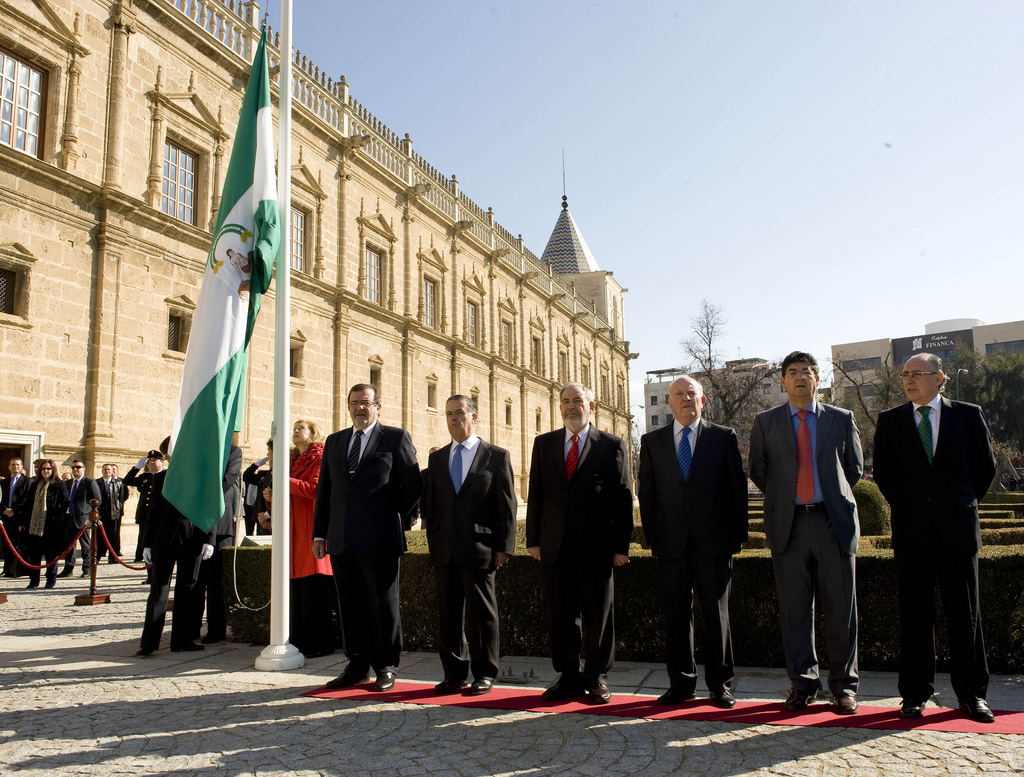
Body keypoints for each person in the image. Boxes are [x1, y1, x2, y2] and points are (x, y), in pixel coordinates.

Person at [873, 353, 997, 724]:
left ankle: (972, 695)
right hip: (912, 535)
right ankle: (914, 694)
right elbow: (885, 475)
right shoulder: (891, 421)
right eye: (905, 375)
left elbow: (984, 468)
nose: (909, 380)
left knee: (966, 616)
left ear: (940, 377)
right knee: (914, 617)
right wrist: (914, 509)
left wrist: (958, 503)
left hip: (958, 531)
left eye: (918, 374)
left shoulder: (967, 414)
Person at [749, 351, 864, 714]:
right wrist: (789, 497)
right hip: (790, 524)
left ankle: (844, 687)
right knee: (795, 610)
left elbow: (854, 469)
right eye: (793, 372)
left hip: (833, 523)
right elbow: (759, 471)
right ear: (782, 381)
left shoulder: (842, 419)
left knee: (841, 607)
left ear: (817, 379)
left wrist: (826, 494)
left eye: (807, 372)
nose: (800, 377)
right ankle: (802, 683)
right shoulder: (765, 422)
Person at [638, 375, 748, 708]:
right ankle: (681, 684)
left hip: (714, 542)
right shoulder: (652, 441)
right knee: (675, 615)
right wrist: (653, 537)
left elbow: (736, 490)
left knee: (717, 615)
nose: (686, 399)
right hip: (671, 543)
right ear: (668, 403)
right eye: (678, 395)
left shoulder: (723, 437)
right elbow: (648, 493)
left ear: (703, 401)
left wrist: (736, 537)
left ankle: (720, 685)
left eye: (692, 394)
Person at [525, 382, 634, 705]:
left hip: (597, 548)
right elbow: (536, 496)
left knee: (599, 616)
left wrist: (620, 547)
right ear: (559, 408)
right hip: (555, 546)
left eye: (578, 401)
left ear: (592, 406)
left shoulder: (612, 445)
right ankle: (568, 675)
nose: (571, 406)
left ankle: (597, 677)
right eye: (565, 401)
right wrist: (533, 540)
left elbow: (623, 499)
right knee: (560, 615)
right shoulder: (544, 444)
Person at [313, 384, 422, 692]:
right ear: (348, 407)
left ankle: (386, 665)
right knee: (350, 605)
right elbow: (326, 492)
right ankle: (357, 664)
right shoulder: (335, 442)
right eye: (354, 403)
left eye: (365, 403)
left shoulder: (395, 437)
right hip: (341, 539)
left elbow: (413, 485)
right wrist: (320, 533)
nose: (359, 408)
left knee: (383, 603)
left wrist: (392, 513)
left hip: (381, 538)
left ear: (378, 406)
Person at [422, 395, 517, 696]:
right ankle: (453, 673)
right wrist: (433, 544)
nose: (453, 418)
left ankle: (485, 673)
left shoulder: (496, 456)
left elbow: (507, 506)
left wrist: (504, 547)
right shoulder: (437, 460)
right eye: (448, 413)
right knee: (448, 615)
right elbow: (432, 508)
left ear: (474, 417)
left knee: (481, 615)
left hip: (481, 547)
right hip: (445, 549)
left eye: (459, 413)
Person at [138, 438, 215, 656]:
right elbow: (153, 512)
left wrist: (209, 538)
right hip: (164, 539)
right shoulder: (160, 477)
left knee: (187, 589)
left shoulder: (200, 476)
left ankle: (181, 640)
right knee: (159, 589)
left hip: (192, 538)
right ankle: (148, 642)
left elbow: (207, 506)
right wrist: (147, 543)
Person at [273, 421, 335, 656]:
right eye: (295, 427)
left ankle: (318, 644)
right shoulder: (289, 461)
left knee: (313, 590)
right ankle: (297, 640)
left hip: (310, 528)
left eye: (302, 427)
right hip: (292, 529)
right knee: (296, 590)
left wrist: (284, 482)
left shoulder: (319, 456)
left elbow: (315, 489)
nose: (296, 430)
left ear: (312, 434)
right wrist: (271, 495)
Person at [193, 442, 242, 644]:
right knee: (194, 581)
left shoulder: (232, 450)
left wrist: (201, 490)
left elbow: (227, 479)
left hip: (220, 525)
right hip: (194, 522)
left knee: (216, 583)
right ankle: (191, 627)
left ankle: (216, 628)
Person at [15, 459, 69, 589]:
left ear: (53, 470)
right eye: (44, 469)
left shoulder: (59, 484)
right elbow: (28, 504)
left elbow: (66, 501)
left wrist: (57, 515)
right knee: (34, 554)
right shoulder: (34, 484)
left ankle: (50, 579)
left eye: (48, 469)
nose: (46, 471)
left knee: (51, 555)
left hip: (51, 525)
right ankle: (34, 580)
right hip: (35, 524)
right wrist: (23, 521)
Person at [61, 460, 102, 577]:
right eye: (73, 467)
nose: (75, 469)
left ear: (83, 469)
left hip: (83, 518)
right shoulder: (68, 483)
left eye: (78, 467)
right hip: (69, 517)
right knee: (69, 545)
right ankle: (68, 568)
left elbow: (97, 500)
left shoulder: (89, 482)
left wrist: (88, 512)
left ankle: (87, 569)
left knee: (85, 545)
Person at [2, 458, 29, 577]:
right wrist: (5, 510)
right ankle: (7, 568)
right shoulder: (4, 482)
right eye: (13, 465)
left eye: (18, 465)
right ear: (9, 467)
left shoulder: (27, 481)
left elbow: (26, 499)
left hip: (19, 517)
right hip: (6, 517)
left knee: (18, 544)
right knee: (6, 543)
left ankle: (16, 569)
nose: (15, 467)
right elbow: (1, 498)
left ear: (21, 467)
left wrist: (14, 511)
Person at [97, 464, 129, 563]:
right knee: (99, 535)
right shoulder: (97, 482)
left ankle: (113, 557)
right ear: (102, 471)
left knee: (113, 535)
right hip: (101, 513)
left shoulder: (119, 482)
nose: (107, 471)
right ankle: (97, 556)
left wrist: (117, 506)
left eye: (109, 470)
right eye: (105, 469)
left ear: (112, 471)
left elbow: (124, 496)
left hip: (114, 512)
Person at [242, 440, 273, 535]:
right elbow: (246, 476)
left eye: (269, 450)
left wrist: (268, 515)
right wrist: (257, 464)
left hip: (270, 517)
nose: (267, 454)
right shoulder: (265, 474)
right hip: (260, 514)